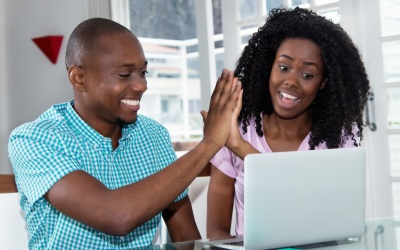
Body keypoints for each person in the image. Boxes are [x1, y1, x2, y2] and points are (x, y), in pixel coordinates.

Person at [8, 18, 242, 249]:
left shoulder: (153, 136)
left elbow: (185, 236)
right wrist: (209, 144)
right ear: (78, 78)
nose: (141, 85)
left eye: (143, 72)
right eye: (124, 75)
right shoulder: (33, 139)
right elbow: (115, 215)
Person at [206, 7, 370, 238]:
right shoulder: (238, 131)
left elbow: (323, 216)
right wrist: (234, 144)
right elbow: (216, 230)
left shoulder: (338, 136)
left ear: (323, 82)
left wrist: (242, 149)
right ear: (268, 67)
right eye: (283, 67)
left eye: (308, 75)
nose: (291, 81)